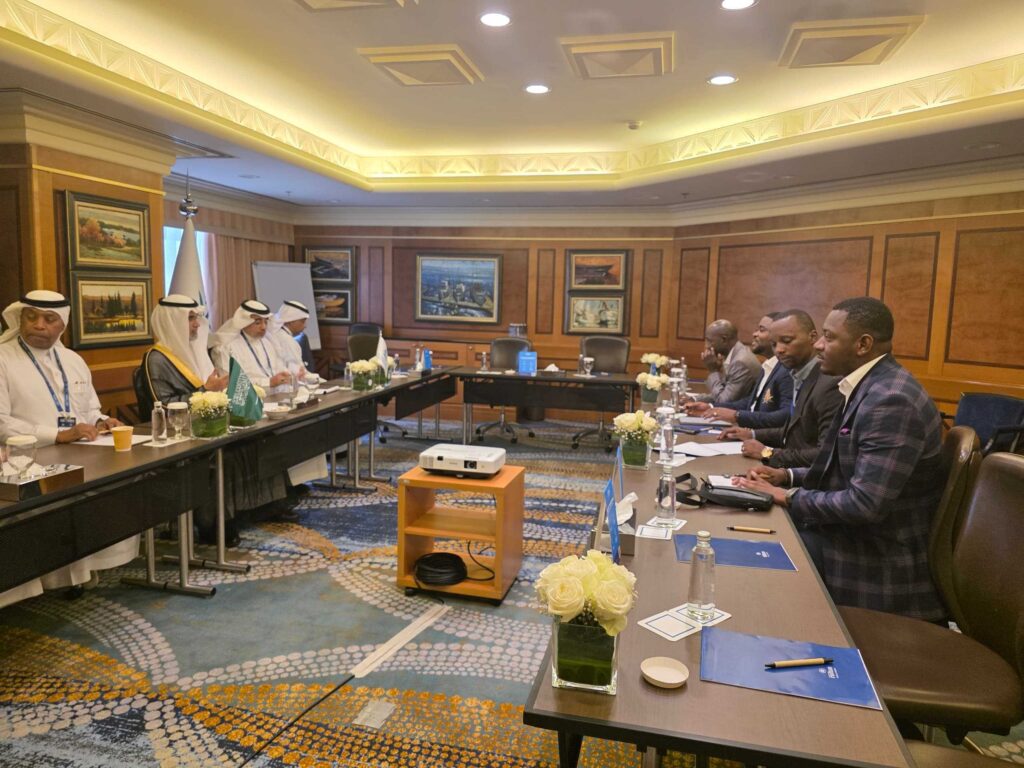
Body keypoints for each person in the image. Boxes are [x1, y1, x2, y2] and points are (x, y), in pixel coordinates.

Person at [736, 297, 945, 620]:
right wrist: (785, 477)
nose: (819, 345)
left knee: (756, 561)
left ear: (863, 345)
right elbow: (840, 468)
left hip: (875, 559)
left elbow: (864, 504)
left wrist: (788, 496)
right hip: (852, 538)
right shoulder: (869, 386)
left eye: (829, 337)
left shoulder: (891, 400)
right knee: (751, 531)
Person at [0, 290, 138, 605]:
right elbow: (1, 421)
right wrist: (57, 435)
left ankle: (79, 573)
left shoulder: (73, 361)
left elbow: (89, 409)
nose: (39, 325)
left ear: (62, 325)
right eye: (31, 317)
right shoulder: (3, 358)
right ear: (20, 319)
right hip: (25, 460)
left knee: (111, 487)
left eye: (49, 319)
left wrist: (102, 421)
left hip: (79, 455)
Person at [720, 310, 842, 468]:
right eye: (774, 344)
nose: (779, 350)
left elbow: (825, 454)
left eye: (786, 341)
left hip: (802, 476)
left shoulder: (828, 382)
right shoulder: (799, 374)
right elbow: (794, 431)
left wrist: (767, 453)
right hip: (788, 467)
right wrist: (752, 434)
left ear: (812, 337)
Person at [684, 312, 793, 429]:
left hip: (758, 434)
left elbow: (785, 417)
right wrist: (711, 407)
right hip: (750, 429)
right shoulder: (768, 365)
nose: (754, 334)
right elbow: (751, 401)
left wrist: (713, 370)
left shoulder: (783, 371)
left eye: (761, 330)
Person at [142, 295, 228, 406]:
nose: (197, 324)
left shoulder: (194, 349)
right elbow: (162, 405)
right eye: (190, 318)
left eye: (196, 318)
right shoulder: (156, 358)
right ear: (172, 322)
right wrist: (205, 390)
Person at [211, 300, 292, 391]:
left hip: (278, 394)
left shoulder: (268, 342)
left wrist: (286, 376)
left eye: (266, 322)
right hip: (250, 398)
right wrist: (268, 382)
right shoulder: (226, 347)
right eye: (257, 323)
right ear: (244, 322)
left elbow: (280, 368)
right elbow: (229, 383)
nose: (263, 327)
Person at [690, 319, 761, 404]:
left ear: (724, 339)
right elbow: (722, 392)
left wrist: (713, 371)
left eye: (709, 341)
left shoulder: (740, 362)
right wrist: (694, 399)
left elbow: (723, 401)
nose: (706, 346)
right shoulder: (733, 354)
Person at [268, 300, 314, 379]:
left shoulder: (277, 334)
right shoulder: (287, 340)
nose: (305, 326)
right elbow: (299, 372)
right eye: (302, 321)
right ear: (291, 321)